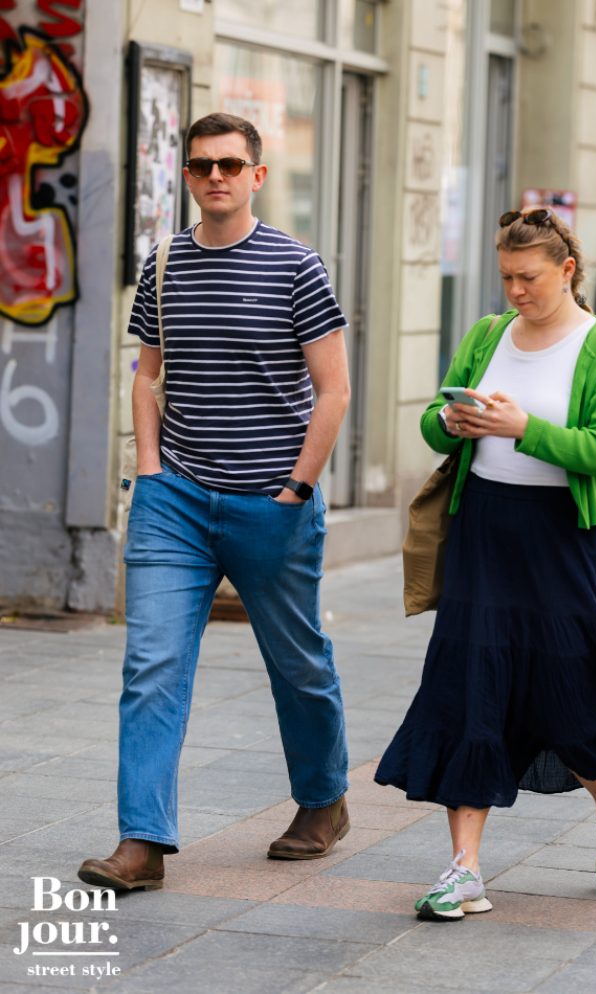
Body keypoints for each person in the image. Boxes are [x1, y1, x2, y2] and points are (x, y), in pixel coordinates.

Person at [78, 113, 352, 891]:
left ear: (257, 175)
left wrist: (296, 485)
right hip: (176, 501)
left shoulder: (298, 267)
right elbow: (147, 373)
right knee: (152, 663)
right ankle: (143, 842)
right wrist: (153, 469)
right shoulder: (163, 262)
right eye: (201, 166)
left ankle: (324, 800)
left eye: (231, 164)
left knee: (297, 664)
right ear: (187, 176)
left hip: (273, 500)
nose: (216, 177)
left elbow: (333, 390)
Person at [375, 207, 596, 922]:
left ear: (567, 269)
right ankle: (464, 870)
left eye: (528, 277)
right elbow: (430, 421)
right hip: (484, 532)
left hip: (563, 543)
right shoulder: (486, 334)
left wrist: (522, 428)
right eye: (506, 277)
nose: (515, 291)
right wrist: (449, 420)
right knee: (469, 689)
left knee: (575, 697)